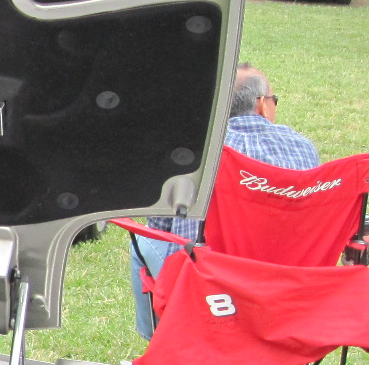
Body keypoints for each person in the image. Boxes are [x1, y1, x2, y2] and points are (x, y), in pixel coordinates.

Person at [129, 63, 319, 336]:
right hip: (286, 285)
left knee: (142, 241)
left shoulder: (195, 151)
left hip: (206, 286)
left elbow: (159, 226)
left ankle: (161, 343)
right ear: (262, 105)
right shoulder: (303, 148)